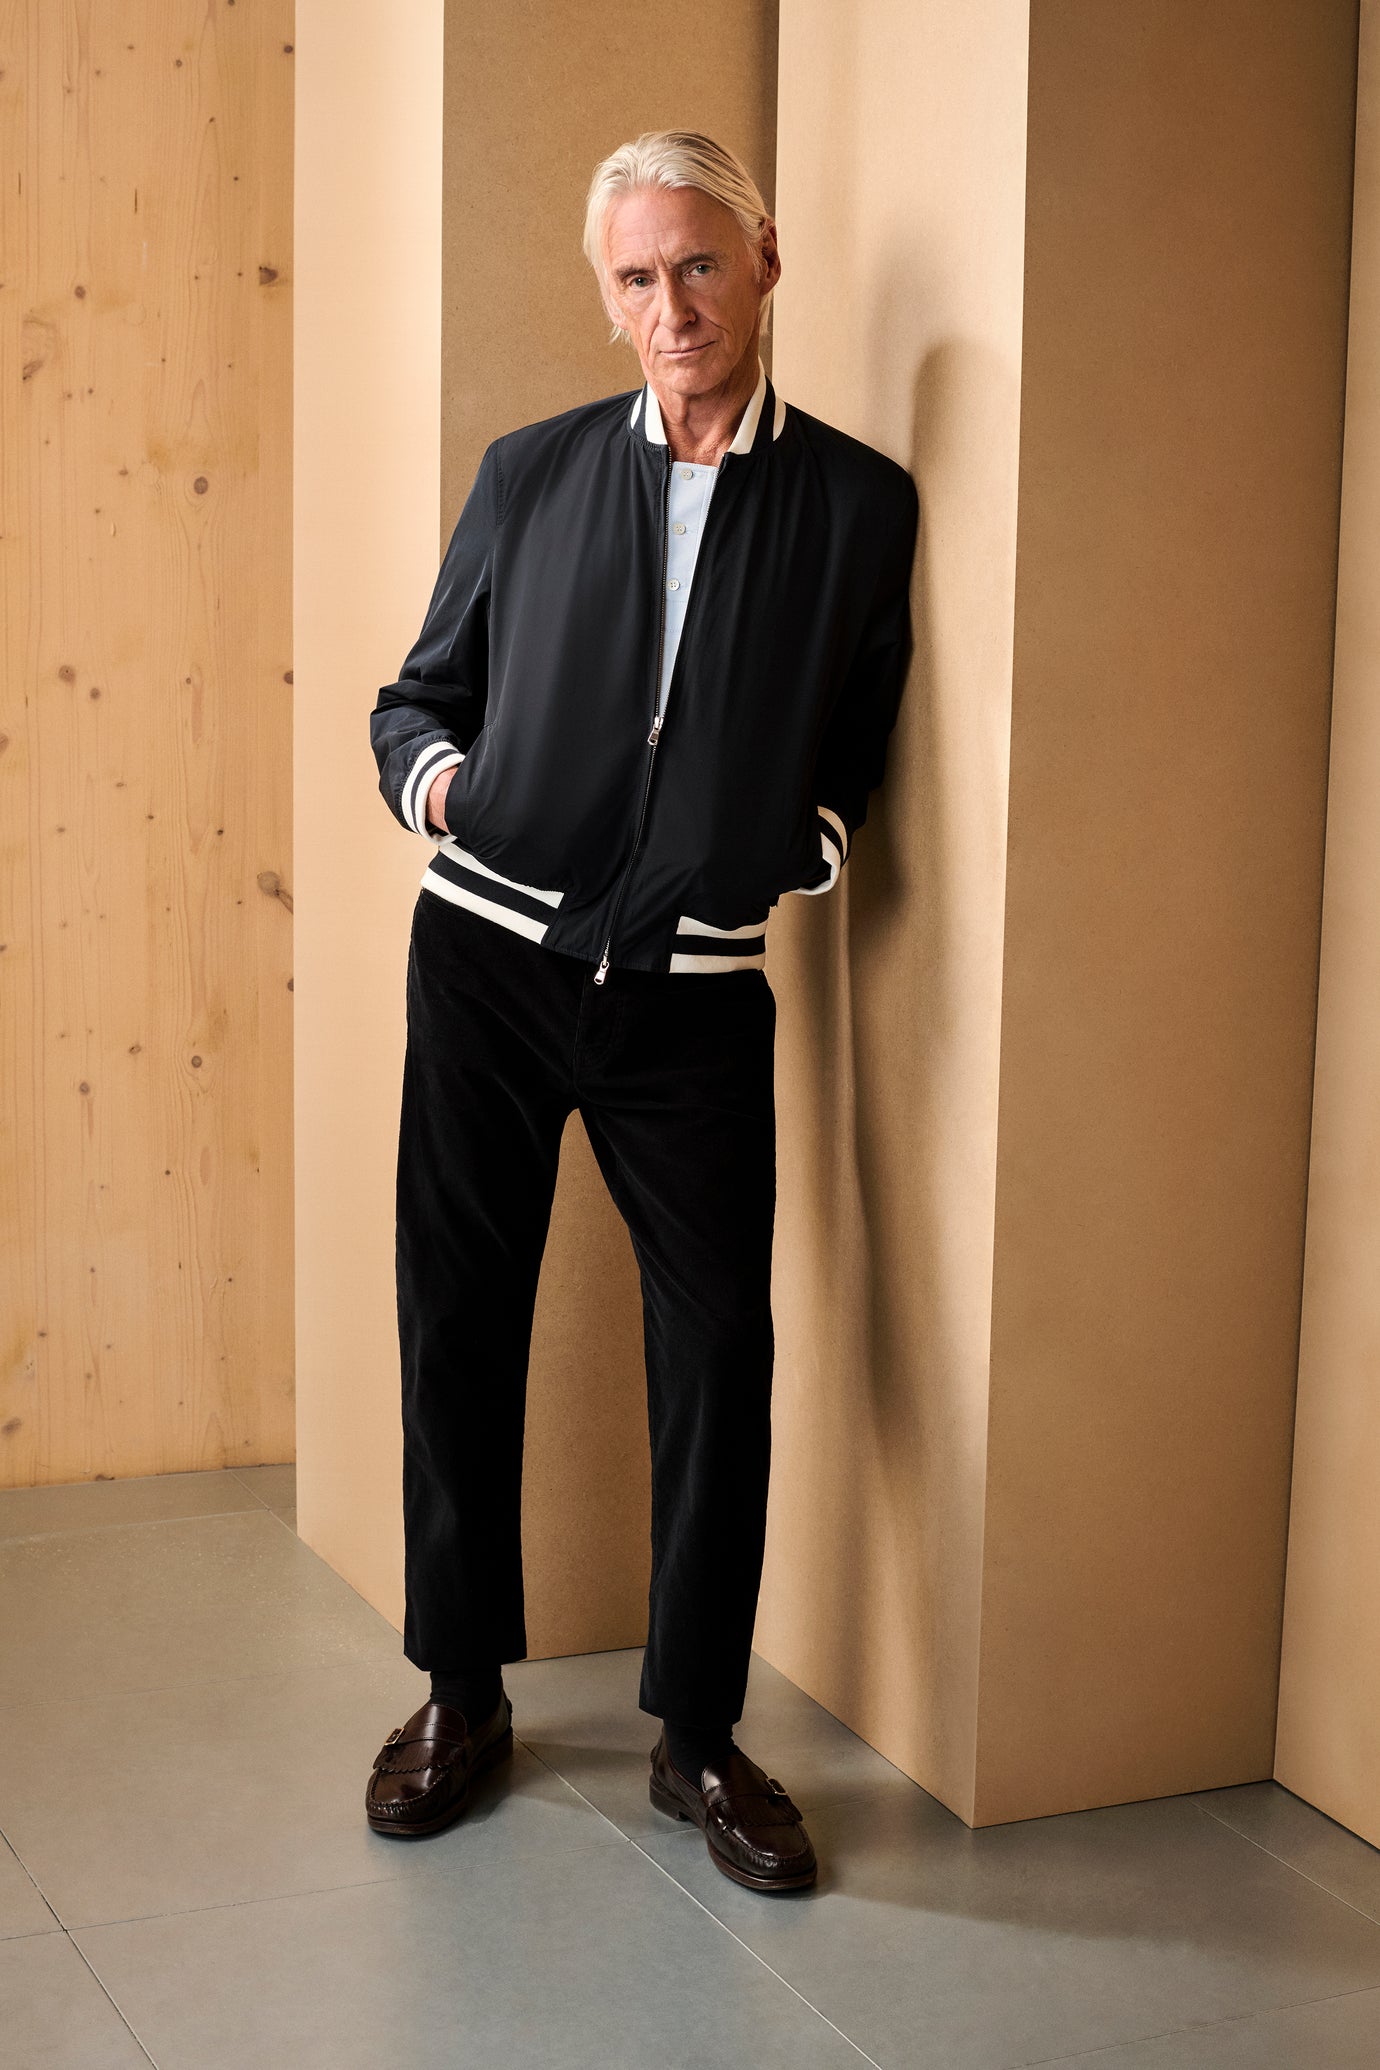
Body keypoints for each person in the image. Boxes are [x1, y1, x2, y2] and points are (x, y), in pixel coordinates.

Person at [363, 129, 919, 1894]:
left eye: (696, 263)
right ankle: (461, 1691)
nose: (671, 304)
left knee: (721, 1351)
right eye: (636, 276)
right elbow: (414, 699)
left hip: (691, 997)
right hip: (489, 967)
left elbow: (855, 745)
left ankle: (698, 1732)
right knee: (459, 1317)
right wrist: (459, 794)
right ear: (606, 298)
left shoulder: (857, 506)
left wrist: (789, 855)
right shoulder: (529, 476)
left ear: (763, 261)